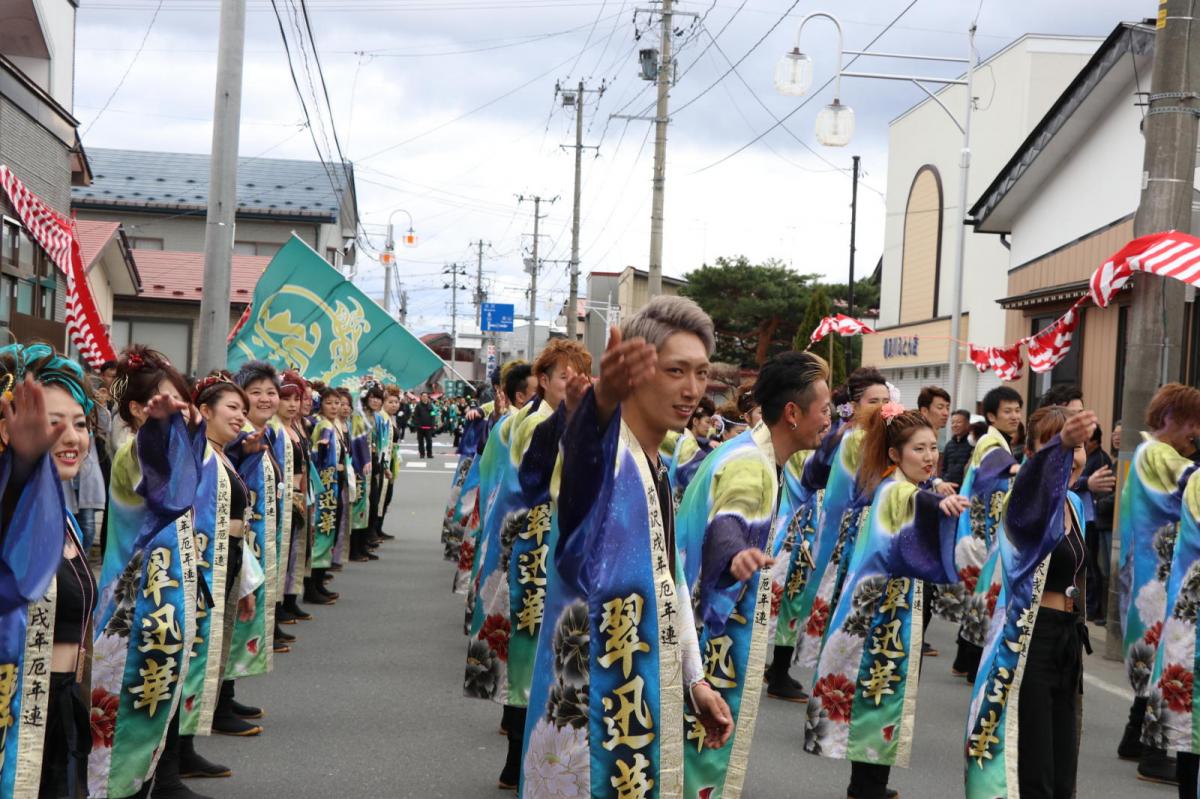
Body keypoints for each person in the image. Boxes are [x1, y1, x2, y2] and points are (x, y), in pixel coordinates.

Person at [519, 296, 733, 796]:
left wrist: (695, 679)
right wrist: (598, 407)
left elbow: (670, 582)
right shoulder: (608, 457)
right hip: (591, 727)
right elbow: (571, 469)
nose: (692, 389)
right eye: (676, 370)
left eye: (701, 373)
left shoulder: (658, 464)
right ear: (633, 373)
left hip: (636, 707)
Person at [674, 350, 832, 798]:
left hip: (707, 623)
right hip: (710, 634)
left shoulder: (761, 453)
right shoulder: (750, 463)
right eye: (825, 410)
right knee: (700, 753)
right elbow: (731, 520)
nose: (829, 420)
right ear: (792, 413)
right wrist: (735, 554)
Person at [803, 405, 966, 799]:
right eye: (918, 449)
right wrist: (937, 505)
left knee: (881, 692)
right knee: (877, 692)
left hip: (887, 608)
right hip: (879, 613)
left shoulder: (901, 484)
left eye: (933, 448)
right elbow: (914, 505)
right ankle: (866, 786)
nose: (929, 457)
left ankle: (868, 783)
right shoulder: (896, 490)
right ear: (895, 453)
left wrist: (934, 493)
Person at [89, 347, 205, 799]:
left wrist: (186, 430)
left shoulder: (170, 448)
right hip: (130, 611)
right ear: (138, 409)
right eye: (165, 401)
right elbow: (168, 495)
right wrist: (163, 429)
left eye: (182, 399)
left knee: (150, 716)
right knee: (121, 729)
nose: (178, 410)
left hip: (160, 605)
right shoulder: (133, 451)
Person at [964, 405, 1096, 799]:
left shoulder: (1074, 504)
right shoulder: (1022, 503)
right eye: (1058, 448)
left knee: (1063, 767)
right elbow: (1030, 488)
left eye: (1078, 448)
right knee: (1035, 765)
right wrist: (1060, 447)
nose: (1072, 458)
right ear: (1032, 454)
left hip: (1067, 640)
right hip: (1030, 642)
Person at [484, 340, 592, 789]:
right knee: (531, 652)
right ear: (543, 381)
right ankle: (517, 761)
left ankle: (522, 761)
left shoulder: (546, 416)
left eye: (580, 377)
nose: (574, 384)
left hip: (543, 545)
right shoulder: (538, 422)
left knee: (535, 651)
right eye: (564, 377)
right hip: (536, 546)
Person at [0, 345, 93, 799]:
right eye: (54, 422)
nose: (72, 437)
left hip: (63, 706)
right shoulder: (11, 506)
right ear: (9, 428)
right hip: (16, 713)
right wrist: (21, 466)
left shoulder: (65, 517)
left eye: (81, 423)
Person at [1116, 383, 1200, 784]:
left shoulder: (1149, 452)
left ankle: (1134, 738)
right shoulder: (1159, 455)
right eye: (1192, 423)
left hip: (1149, 570)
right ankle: (1153, 753)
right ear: (1170, 418)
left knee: (1153, 659)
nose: (1195, 432)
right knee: (1163, 660)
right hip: (1158, 576)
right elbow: (1192, 484)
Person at [462, 359, 539, 786]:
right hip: (524, 545)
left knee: (526, 648)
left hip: (526, 545)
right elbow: (494, 486)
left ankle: (518, 738)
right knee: (522, 644)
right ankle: (517, 749)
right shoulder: (517, 427)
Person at [793, 367, 890, 674]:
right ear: (855, 406)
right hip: (851, 534)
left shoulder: (877, 438)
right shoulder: (853, 439)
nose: (882, 407)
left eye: (886, 400)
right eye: (873, 401)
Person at [947, 386, 1023, 684]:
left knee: (979, 601)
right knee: (985, 599)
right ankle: (972, 666)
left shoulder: (997, 440)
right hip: (980, 534)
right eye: (1008, 411)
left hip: (981, 531)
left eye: (1017, 410)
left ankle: (964, 662)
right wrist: (1017, 468)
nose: (1015, 416)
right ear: (991, 416)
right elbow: (997, 464)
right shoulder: (992, 442)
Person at [306, 387, 343, 606]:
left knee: (327, 532)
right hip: (322, 487)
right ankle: (312, 586)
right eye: (329, 403)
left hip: (331, 486)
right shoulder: (321, 425)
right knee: (320, 534)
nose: (334, 407)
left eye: (337, 403)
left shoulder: (332, 424)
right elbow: (317, 452)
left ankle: (319, 582)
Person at [940, 409, 973, 488]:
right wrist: (944, 480)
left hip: (965, 489)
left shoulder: (972, 444)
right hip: (948, 488)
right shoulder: (949, 445)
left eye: (958, 422)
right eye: (953, 422)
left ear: (967, 424)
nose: (955, 425)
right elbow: (944, 468)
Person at [413, 392, 435, 459]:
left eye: (426, 396)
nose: (425, 397)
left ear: (427, 397)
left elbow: (433, 415)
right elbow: (415, 416)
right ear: (421, 397)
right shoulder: (418, 406)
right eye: (423, 396)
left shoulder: (430, 406)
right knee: (421, 442)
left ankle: (429, 454)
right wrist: (417, 424)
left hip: (428, 427)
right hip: (420, 427)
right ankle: (422, 454)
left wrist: (433, 424)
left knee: (429, 441)